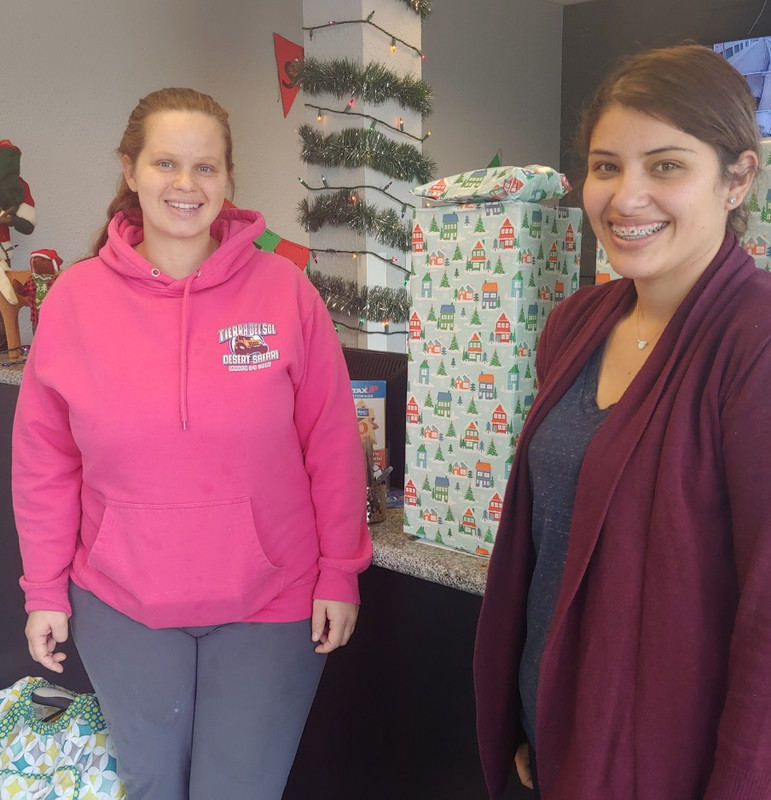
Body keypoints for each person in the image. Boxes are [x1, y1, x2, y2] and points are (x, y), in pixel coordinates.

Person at [12, 87, 372, 800]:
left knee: (238, 790)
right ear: (131, 170)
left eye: (205, 168)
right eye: (166, 163)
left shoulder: (285, 292)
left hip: (273, 604)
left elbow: (331, 444)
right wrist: (45, 589)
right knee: (151, 787)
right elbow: (45, 462)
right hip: (123, 603)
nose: (185, 184)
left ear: (228, 179)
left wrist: (340, 569)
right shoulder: (75, 300)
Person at [474, 44, 771, 799]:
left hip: (668, 760)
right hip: (556, 730)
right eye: (606, 167)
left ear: (736, 179)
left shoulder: (753, 341)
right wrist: (525, 718)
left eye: (666, 166)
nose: (625, 197)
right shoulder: (577, 323)